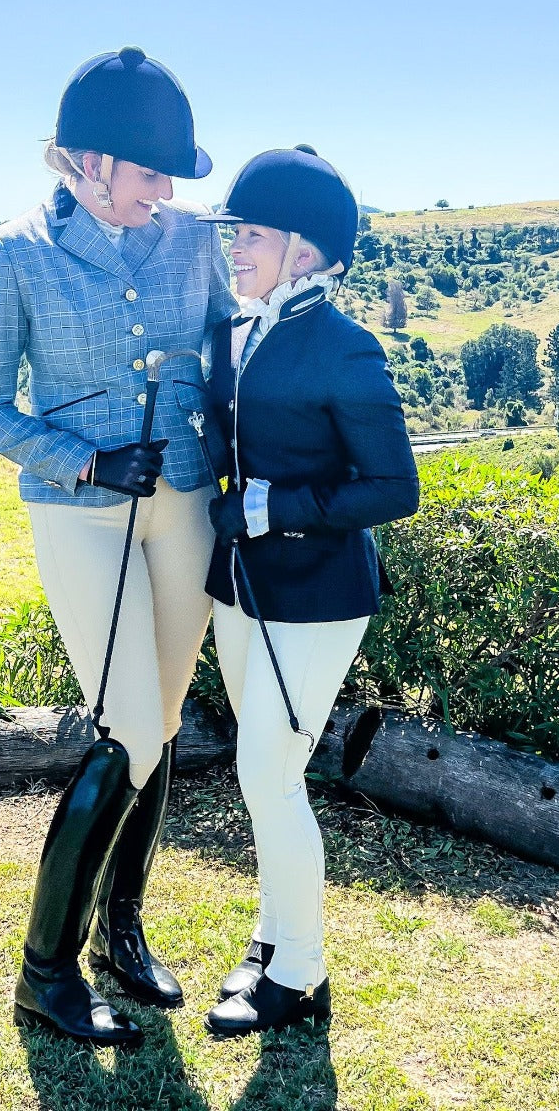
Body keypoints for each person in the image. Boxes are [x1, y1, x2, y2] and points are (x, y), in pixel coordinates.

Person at [0, 46, 235, 1047]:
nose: (164, 193)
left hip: (186, 505)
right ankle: (44, 973)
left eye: (170, 175)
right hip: (81, 516)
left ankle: (123, 932)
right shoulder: (13, 250)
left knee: (160, 724)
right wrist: (81, 460)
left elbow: (224, 350)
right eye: (150, 171)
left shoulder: (193, 239)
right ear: (85, 163)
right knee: (127, 726)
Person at [196, 147, 419, 1036]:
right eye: (236, 234)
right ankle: (270, 934)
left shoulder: (347, 346)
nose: (235, 250)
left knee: (268, 772)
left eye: (249, 235)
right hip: (239, 584)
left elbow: (395, 487)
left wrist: (273, 504)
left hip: (319, 592)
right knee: (264, 778)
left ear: (305, 250)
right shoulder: (233, 331)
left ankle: (301, 976)